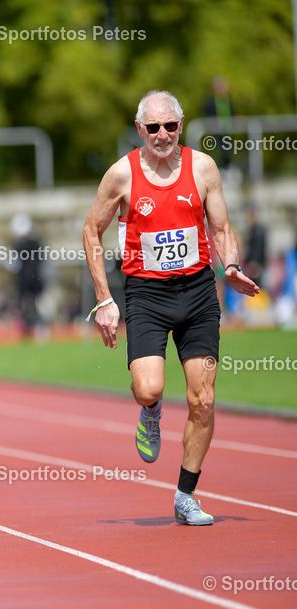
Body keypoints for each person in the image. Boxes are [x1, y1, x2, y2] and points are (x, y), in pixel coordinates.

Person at [82, 90, 259, 526]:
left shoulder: (203, 168)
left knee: (203, 400)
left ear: (181, 125)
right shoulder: (121, 175)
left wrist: (231, 266)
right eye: (154, 127)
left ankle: (185, 495)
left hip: (198, 291)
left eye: (171, 126)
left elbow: (221, 228)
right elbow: (91, 230)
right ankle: (151, 412)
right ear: (140, 129)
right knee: (149, 388)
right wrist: (105, 300)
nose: (163, 135)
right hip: (146, 293)